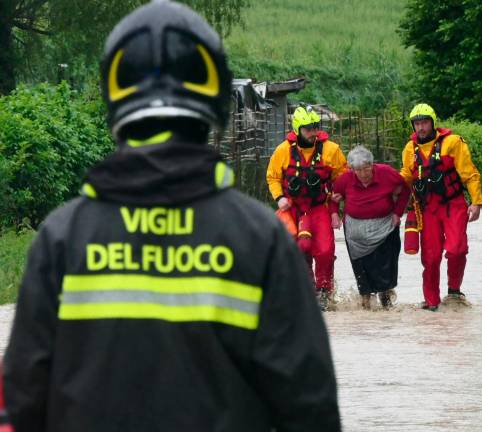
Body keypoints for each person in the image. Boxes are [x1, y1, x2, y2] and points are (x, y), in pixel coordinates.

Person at [2, 2, 341, 431]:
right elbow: (310, 407)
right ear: (215, 99)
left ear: (115, 99)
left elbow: (23, 398)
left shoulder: (62, 237)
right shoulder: (261, 239)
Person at [400, 103, 482, 311]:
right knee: (431, 256)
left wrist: (476, 202)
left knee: (457, 249)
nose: (420, 128)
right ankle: (431, 301)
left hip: (453, 204)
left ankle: (454, 290)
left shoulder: (452, 143)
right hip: (427, 208)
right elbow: (405, 178)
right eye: (417, 124)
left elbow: (470, 174)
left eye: (424, 122)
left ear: (433, 122)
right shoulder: (410, 149)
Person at [266, 106, 347, 310]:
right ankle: (307, 290)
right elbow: (273, 177)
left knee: (325, 250)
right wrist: (279, 198)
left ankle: (324, 291)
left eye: (315, 127)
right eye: (308, 129)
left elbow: (342, 179)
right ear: (298, 129)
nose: (313, 132)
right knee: (298, 250)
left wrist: (336, 208)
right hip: (292, 207)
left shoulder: (331, 150)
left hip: (320, 206)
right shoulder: (283, 151)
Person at [332, 146, 409, 310]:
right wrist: (334, 215)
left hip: (385, 227)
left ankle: (386, 297)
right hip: (356, 231)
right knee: (361, 267)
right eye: (358, 170)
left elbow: (405, 190)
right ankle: (366, 301)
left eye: (366, 168)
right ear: (352, 169)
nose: (363, 174)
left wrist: (397, 213)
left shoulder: (386, 173)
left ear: (372, 165)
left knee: (386, 263)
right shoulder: (345, 179)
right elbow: (334, 197)